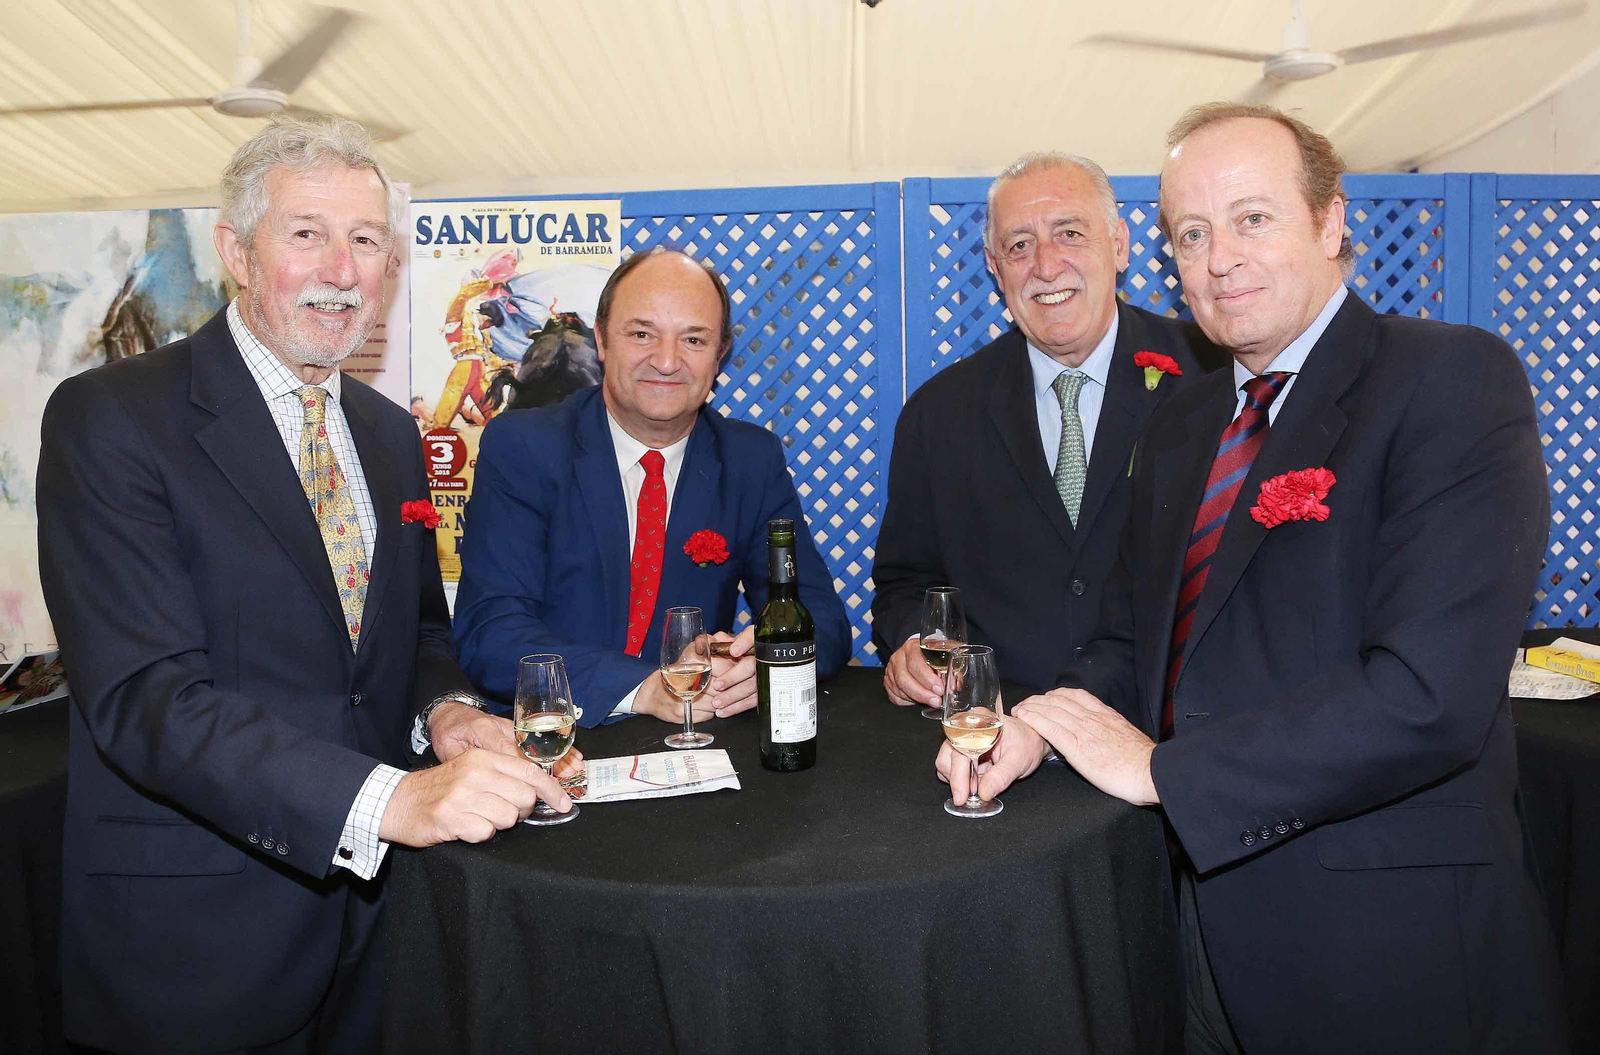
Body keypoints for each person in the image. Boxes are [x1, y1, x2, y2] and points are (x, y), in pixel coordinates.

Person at [939, 103, 1569, 1053]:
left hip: (1384, 950)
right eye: (1190, 234)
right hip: (1189, 936)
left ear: (1331, 221)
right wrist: (1039, 728)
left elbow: (1428, 695)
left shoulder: (1450, 382)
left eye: (1252, 218)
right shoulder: (1186, 423)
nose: (1219, 258)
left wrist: (1164, 771)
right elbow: (1132, 642)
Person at [36, 115, 576, 1055]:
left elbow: (412, 639)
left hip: (376, 940)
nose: (343, 268)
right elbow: (148, 699)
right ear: (235, 252)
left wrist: (445, 715)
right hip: (197, 949)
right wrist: (389, 802)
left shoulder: (388, 433)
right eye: (306, 234)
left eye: (367, 240)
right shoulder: (111, 420)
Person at [872, 152, 1219, 705]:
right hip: (992, 735)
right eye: (1019, 245)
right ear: (994, 265)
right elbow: (906, 582)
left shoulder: (1215, 380)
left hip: (1171, 736)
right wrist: (917, 642)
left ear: (1121, 245)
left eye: (1070, 233)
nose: (1047, 265)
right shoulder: (939, 414)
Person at [453, 248, 851, 726]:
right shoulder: (523, 447)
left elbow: (820, 618)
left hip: (694, 747)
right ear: (601, 339)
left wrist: (767, 661)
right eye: (642, 334)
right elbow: (491, 632)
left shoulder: (750, 459)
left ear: (720, 354)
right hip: (549, 740)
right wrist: (640, 687)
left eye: (694, 340)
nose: (666, 361)